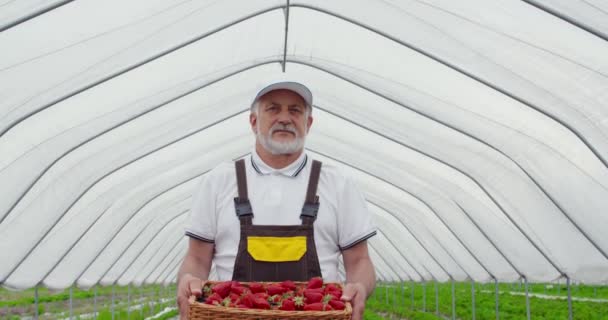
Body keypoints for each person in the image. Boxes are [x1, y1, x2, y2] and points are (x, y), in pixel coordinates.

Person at [176, 80, 376, 320]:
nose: (284, 118)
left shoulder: (338, 183)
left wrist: (360, 287)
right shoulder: (218, 181)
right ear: (253, 122)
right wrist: (188, 280)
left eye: (295, 110)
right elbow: (197, 258)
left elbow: (360, 261)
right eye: (273, 109)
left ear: (308, 123)